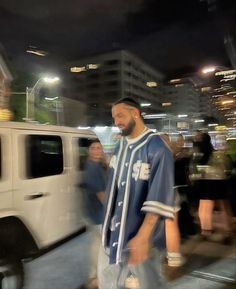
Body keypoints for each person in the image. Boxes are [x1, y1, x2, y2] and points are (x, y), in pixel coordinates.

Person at [98, 98, 175, 289]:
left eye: (120, 115)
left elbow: (159, 197)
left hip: (140, 239)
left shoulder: (157, 148)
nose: (116, 121)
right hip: (112, 236)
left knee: (148, 284)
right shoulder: (120, 145)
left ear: (135, 113)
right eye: (114, 117)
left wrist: (143, 236)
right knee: (111, 284)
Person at [81, 139, 107, 289]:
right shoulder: (92, 168)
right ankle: (97, 278)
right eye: (94, 148)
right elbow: (101, 194)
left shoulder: (97, 165)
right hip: (99, 215)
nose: (97, 150)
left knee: (96, 245)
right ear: (89, 151)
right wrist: (112, 211)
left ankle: (94, 278)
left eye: (99, 148)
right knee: (102, 247)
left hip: (95, 214)